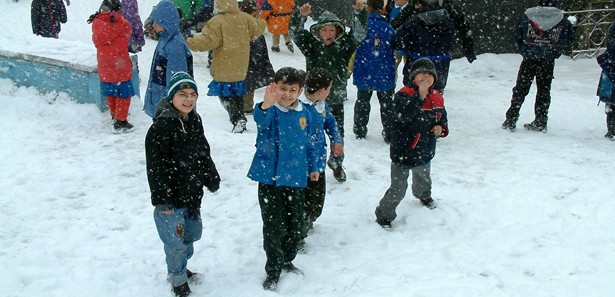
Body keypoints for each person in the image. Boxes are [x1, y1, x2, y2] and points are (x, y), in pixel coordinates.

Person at [145, 72, 220, 297]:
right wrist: (163, 199)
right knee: (175, 242)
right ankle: (177, 279)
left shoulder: (194, 120)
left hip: (191, 194)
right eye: (182, 94)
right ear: (171, 97)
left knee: (191, 236)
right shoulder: (160, 128)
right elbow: (155, 168)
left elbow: (202, 151)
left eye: (192, 95)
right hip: (171, 199)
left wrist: (210, 176)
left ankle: (179, 266)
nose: (188, 100)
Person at [247, 67, 318, 291]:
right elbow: (260, 120)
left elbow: (311, 142)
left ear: (300, 91)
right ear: (274, 88)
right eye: (282, 89)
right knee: (274, 226)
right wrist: (266, 104)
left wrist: (314, 166)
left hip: (296, 179)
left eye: (292, 90)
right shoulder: (270, 110)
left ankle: (287, 258)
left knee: (296, 225)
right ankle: (273, 270)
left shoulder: (305, 113)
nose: (286, 94)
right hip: (271, 180)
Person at [374, 58, 449, 229]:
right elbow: (403, 117)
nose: (426, 77)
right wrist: (420, 97)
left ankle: (423, 195)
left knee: (423, 177)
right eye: (422, 73)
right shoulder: (403, 94)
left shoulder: (437, 97)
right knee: (398, 188)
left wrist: (440, 126)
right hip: (404, 151)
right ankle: (384, 214)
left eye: (430, 74)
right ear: (413, 77)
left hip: (425, 149)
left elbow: (442, 116)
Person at [289, 3, 359, 182]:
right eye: (324, 30)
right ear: (317, 31)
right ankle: (308, 165)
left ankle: (337, 162)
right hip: (312, 100)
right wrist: (299, 16)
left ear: (337, 31)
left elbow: (358, 34)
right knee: (310, 135)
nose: (328, 34)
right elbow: (295, 32)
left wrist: (360, 13)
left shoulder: (344, 47)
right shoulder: (311, 46)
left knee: (337, 134)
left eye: (331, 30)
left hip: (334, 99)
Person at [187, 0, 266, 133]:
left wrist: (190, 41)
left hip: (224, 66)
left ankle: (236, 118)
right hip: (241, 65)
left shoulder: (217, 21)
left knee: (224, 95)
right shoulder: (245, 18)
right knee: (238, 93)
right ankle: (240, 117)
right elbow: (258, 28)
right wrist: (259, 17)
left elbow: (207, 41)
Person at [501, 0, 575, 132]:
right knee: (544, 90)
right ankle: (541, 120)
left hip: (529, 57)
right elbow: (569, 39)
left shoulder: (528, 15)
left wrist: (525, 46)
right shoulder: (561, 19)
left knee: (521, 89)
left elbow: (517, 34)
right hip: (548, 60)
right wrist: (554, 47)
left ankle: (511, 118)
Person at [298, 68, 343, 239]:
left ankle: (309, 219)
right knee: (305, 202)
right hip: (304, 167)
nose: (330, 91)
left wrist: (336, 139)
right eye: (329, 88)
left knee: (317, 202)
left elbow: (330, 122)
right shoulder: (300, 108)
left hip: (319, 163)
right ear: (322, 90)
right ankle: (299, 232)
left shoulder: (321, 104)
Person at [352, 0, 396, 143]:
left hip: (364, 71)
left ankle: (360, 130)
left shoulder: (362, 27)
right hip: (384, 72)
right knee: (387, 104)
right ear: (382, 10)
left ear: (368, 8)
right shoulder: (388, 28)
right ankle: (389, 132)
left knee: (362, 101)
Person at [89, 0, 135, 132]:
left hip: (104, 65)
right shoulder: (121, 23)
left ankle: (115, 115)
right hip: (119, 65)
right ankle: (121, 121)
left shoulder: (97, 22)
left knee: (111, 92)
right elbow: (128, 33)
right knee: (124, 94)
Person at [143, 0, 195, 119]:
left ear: (165, 22)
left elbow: (179, 84)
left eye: (157, 21)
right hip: (161, 104)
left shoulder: (175, 46)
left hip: (169, 110)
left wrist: (175, 111)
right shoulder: (165, 40)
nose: (153, 24)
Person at [387, 0, 477, 64]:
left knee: (414, 83)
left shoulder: (415, 4)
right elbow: (463, 26)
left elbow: (401, 23)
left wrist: (393, 40)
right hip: (439, 54)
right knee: (434, 84)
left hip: (419, 51)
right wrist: (468, 48)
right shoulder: (447, 5)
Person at [393, 0, 455, 91]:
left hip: (416, 62)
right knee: (435, 97)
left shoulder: (414, 21)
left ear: (421, 4)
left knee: (412, 94)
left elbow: (398, 40)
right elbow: (451, 41)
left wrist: (407, 46)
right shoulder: (447, 22)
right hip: (440, 65)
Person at [240, 0, 276, 114]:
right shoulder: (256, 25)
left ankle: (244, 105)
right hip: (253, 58)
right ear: (255, 11)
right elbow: (262, 49)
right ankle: (247, 106)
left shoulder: (237, 23)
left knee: (244, 82)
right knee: (250, 83)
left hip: (242, 60)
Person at [597, 20, 615, 140]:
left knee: (612, 106)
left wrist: (600, 58)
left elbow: (609, 60)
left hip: (611, 78)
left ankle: (612, 130)